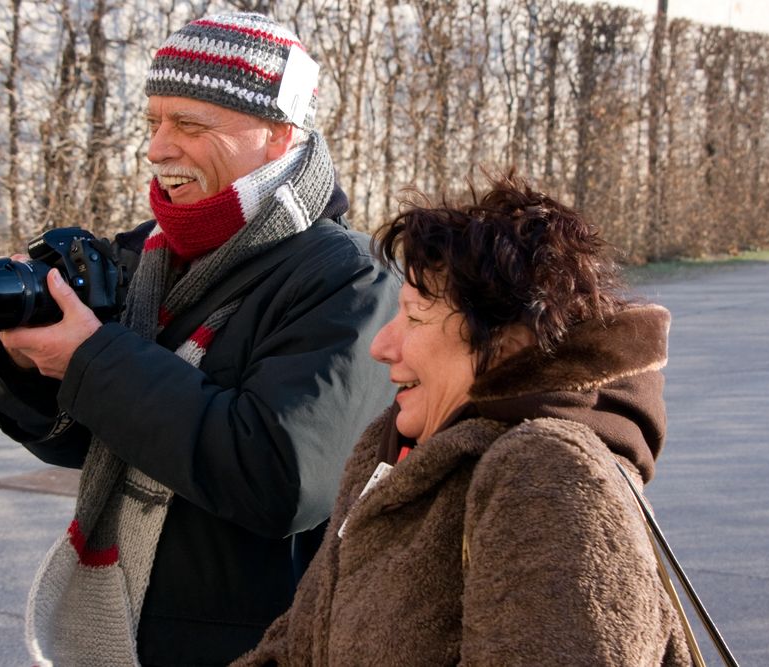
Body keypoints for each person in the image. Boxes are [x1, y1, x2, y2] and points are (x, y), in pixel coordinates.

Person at [0, 11, 398, 667]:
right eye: (154, 122)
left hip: (262, 643)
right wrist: (30, 363)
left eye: (190, 125)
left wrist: (92, 359)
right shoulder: (147, 256)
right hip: (131, 630)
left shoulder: (349, 278)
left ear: (278, 133)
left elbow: (282, 479)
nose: (157, 148)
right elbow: (84, 444)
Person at [234, 172, 694, 666]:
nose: (381, 346)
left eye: (414, 316)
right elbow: (304, 641)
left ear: (509, 343)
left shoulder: (548, 472)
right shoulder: (391, 448)